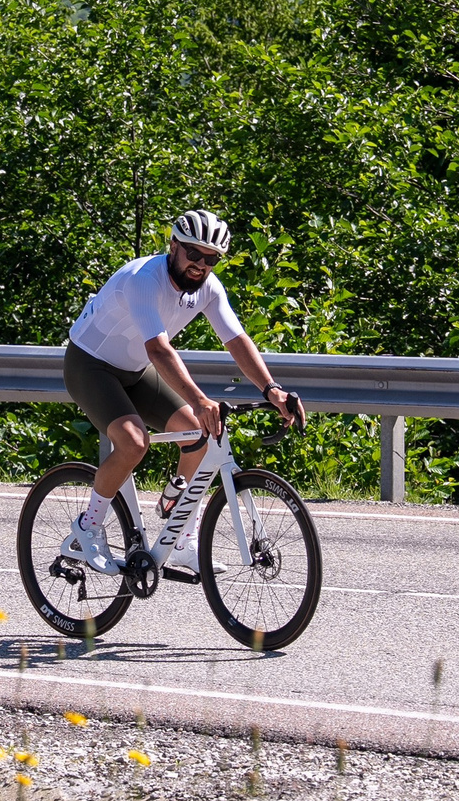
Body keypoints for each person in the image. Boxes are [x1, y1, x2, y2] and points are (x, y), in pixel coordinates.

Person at [61, 209, 304, 578]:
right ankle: (88, 527)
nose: (201, 265)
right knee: (134, 443)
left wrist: (271, 389)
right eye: (193, 254)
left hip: (136, 369)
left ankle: (181, 538)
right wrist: (200, 400)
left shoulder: (209, 288)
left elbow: (237, 340)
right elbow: (159, 350)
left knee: (198, 434)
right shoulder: (144, 279)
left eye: (211, 259)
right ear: (173, 246)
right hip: (90, 365)